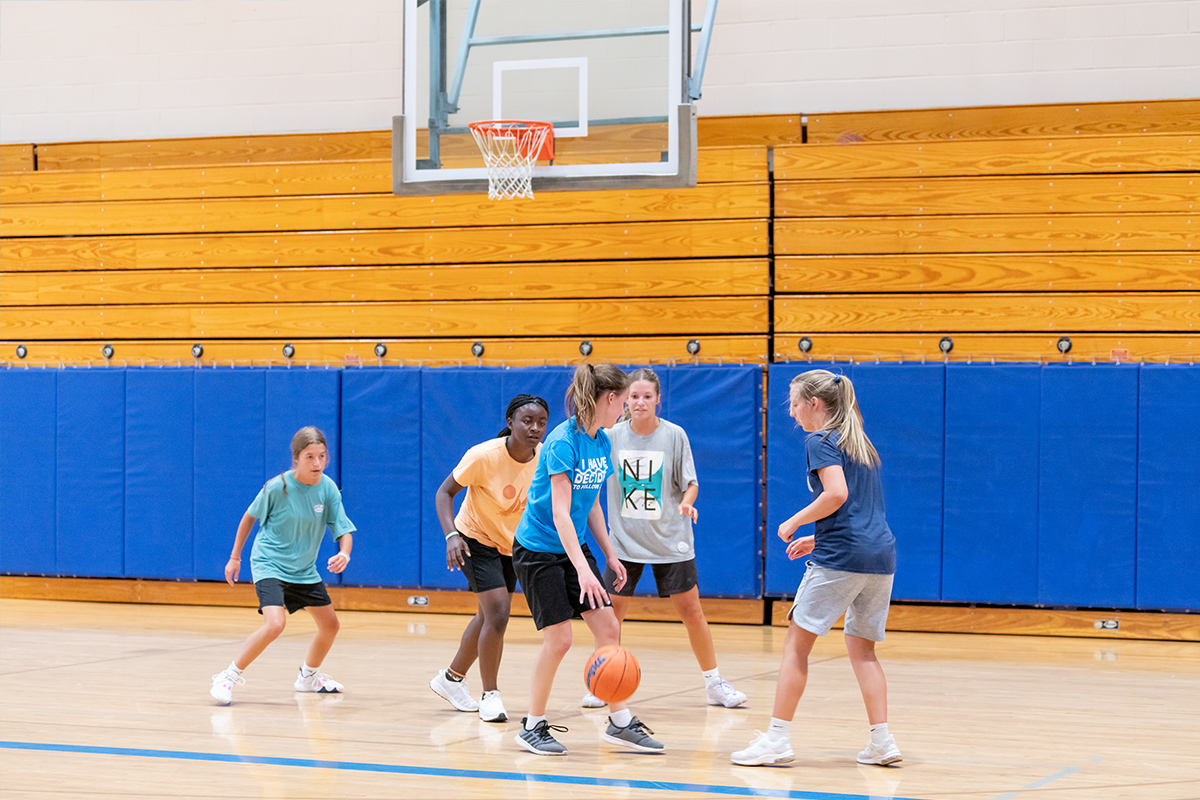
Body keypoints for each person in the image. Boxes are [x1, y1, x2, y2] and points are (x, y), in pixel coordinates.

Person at [732, 370, 900, 767]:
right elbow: (859, 508)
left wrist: (795, 522)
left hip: (844, 558)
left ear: (815, 404)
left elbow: (837, 494)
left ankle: (776, 739)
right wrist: (819, 537)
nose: (791, 413)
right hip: (879, 556)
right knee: (863, 652)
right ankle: (882, 741)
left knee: (795, 645)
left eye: (793, 403)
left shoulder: (820, 440)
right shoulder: (859, 441)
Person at [511, 363, 663, 757]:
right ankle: (531, 726)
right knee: (559, 639)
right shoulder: (564, 440)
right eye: (625, 400)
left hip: (573, 548)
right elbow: (561, 512)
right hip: (539, 552)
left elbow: (590, 500)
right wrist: (582, 569)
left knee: (608, 627)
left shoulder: (601, 440)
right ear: (610, 399)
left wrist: (611, 554)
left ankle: (620, 722)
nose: (628, 408)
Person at [581, 368, 747, 709]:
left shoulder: (674, 435)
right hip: (625, 543)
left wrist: (687, 504)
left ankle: (714, 683)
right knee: (613, 617)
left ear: (658, 399)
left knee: (691, 612)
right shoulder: (610, 436)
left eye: (647, 396)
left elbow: (691, 483)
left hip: (671, 540)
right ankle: (603, 680)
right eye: (634, 396)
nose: (640, 402)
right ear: (624, 399)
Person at [210, 426, 355, 705]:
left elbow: (343, 530)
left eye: (322, 456)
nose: (317, 463)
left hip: (303, 570)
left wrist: (345, 554)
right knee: (276, 623)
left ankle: (308, 677)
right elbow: (248, 518)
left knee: (330, 626)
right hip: (270, 564)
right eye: (310, 457)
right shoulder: (278, 487)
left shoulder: (327, 489)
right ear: (297, 458)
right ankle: (227, 676)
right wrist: (235, 557)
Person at [428, 394, 550, 723]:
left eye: (541, 422)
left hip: (512, 543)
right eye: (527, 421)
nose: (535, 428)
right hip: (474, 537)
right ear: (510, 422)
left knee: (486, 618)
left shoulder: (545, 458)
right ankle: (490, 695)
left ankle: (451, 679)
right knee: (498, 612)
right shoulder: (483, 456)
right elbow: (444, 493)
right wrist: (451, 535)